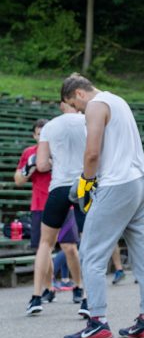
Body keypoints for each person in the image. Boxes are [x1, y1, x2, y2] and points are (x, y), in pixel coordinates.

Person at [59, 74, 144, 338]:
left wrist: (87, 181)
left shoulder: (95, 105)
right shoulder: (118, 100)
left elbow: (92, 153)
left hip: (117, 184)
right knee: (142, 254)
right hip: (141, 183)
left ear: (79, 94)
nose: (78, 111)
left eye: (74, 105)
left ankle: (97, 321)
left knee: (90, 253)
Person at [25, 104, 87, 315]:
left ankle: (36, 297)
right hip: (83, 184)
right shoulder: (89, 120)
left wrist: (51, 160)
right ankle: (88, 299)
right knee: (87, 241)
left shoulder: (51, 126)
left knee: (45, 243)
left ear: (62, 104)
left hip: (59, 186)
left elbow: (41, 165)